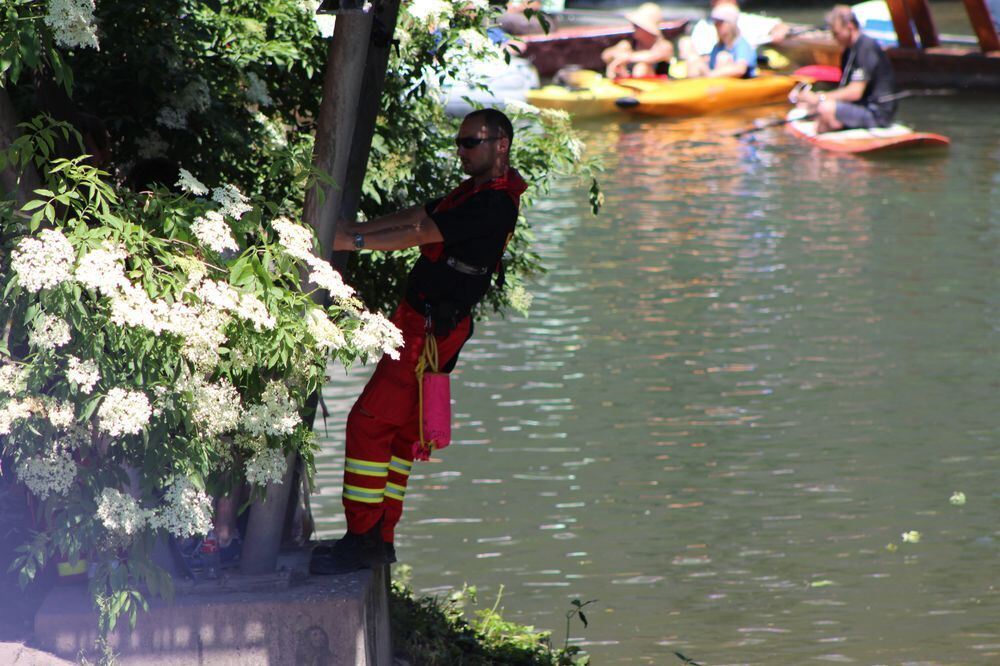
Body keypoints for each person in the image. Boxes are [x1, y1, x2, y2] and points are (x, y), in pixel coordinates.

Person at [310, 109, 527, 575]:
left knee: (368, 423)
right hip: (428, 324)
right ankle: (379, 537)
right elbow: (417, 215)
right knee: (402, 433)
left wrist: (350, 242)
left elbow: (418, 234)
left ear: (501, 145)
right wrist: (351, 230)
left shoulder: (494, 203)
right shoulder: (473, 193)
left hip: (429, 332)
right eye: (460, 141)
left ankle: (363, 538)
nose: (462, 149)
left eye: (472, 142)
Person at [791, 5, 896, 133]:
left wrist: (820, 98)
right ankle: (829, 129)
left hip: (876, 113)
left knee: (826, 108)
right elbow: (845, 88)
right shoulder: (848, 51)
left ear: (850, 27)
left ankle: (821, 145)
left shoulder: (866, 47)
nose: (834, 38)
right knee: (806, 107)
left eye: (836, 34)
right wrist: (815, 102)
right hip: (859, 106)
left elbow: (855, 92)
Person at [601, 2, 675, 79]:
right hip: (630, 82)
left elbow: (652, 56)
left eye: (636, 26)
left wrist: (627, 57)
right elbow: (606, 55)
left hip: (658, 86)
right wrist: (616, 56)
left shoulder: (664, 46)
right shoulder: (628, 44)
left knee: (642, 67)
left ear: (646, 30)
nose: (634, 28)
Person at [683, 3, 757, 79]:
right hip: (715, 81)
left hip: (736, 85)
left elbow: (740, 69)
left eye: (720, 23)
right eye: (715, 23)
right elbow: (710, 65)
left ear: (730, 24)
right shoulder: (719, 46)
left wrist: (710, 75)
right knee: (693, 59)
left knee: (723, 57)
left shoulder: (742, 45)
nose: (716, 26)